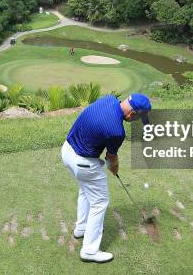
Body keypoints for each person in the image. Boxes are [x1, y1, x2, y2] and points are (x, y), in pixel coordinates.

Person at [61, 93, 151, 263]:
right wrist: (114, 169)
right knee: (100, 202)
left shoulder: (108, 99)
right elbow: (111, 159)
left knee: (85, 190)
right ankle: (89, 251)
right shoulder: (117, 131)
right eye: (138, 119)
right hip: (83, 162)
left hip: (67, 151)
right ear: (131, 114)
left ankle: (81, 228)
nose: (136, 122)